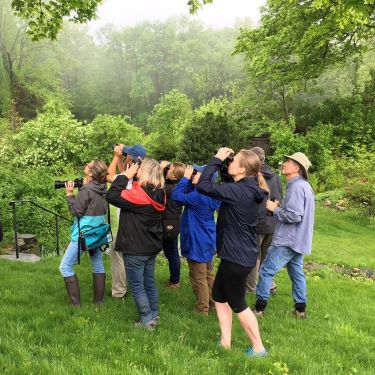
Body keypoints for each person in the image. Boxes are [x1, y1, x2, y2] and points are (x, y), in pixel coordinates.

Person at [197, 147, 269, 357]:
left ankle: (258, 348)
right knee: (219, 296)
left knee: (238, 303)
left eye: (234, 161)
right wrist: (225, 161)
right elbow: (225, 181)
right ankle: (225, 342)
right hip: (237, 254)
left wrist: (217, 159)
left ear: (243, 169)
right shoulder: (245, 187)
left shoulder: (239, 191)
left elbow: (203, 185)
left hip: (237, 257)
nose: (230, 163)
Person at [106, 158, 165, 330]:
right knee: (149, 282)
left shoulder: (140, 195)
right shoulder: (159, 192)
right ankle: (154, 314)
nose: (136, 170)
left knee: (137, 285)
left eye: (140, 169)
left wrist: (125, 176)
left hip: (136, 247)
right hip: (150, 246)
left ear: (145, 172)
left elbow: (111, 196)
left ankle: (146, 320)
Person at [254, 152, 314, 319]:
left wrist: (275, 209)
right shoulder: (304, 185)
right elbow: (296, 211)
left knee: (266, 270)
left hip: (288, 240)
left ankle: (259, 309)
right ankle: (300, 310)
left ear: (297, 168)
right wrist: (281, 205)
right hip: (300, 240)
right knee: (296, 273)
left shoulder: (296, 187)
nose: (284, 164)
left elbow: (295, 216)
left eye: (288, 162)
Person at [172, 164, 220, 315]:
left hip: (197, 242)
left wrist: (185, 178)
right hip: (207, 239)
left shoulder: (199, 196)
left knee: (198, 276)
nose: (193, 174)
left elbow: (176, 196)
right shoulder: (209, 193)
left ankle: (202, 309)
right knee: (207, 274)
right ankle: (213, 303)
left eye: (197, 173)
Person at [59, 160, 109, 307]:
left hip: (83, 235)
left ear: (92, 172)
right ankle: (98, 302)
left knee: (65, 266)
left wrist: (69, 195)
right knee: (97, 264)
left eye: (88, 164)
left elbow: (76, 212)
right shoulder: (103, 188)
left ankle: (76, 306)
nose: (86, 165)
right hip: (98, 233)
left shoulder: (86, 191)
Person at [107, 144, 147, 299]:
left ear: (131, 160)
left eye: (127, 156)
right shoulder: (146, 178)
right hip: (142, 226)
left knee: (117, 256)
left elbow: (109, 176)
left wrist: (117, 156)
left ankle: (119, 291)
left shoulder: (123, 180)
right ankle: (140, 287)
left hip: (124, 226)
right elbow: (125, 172)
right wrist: (125, 159)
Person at [246, 146, 283, 294]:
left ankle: (252, 287)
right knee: (266, 257)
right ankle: (269, 285)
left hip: (258, 222)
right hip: (272, 222)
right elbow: (280, 198)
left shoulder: (253, 177)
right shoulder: (276, 177)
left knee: (254, 257)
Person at [160, 161, 186, 288]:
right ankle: (174, 280)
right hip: (172, 222)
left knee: (172, 252)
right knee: (171, 251)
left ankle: (175, 281)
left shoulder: (171, 189)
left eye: (170, 170)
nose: (167, 170)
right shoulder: (175, 185)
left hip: (169, 224)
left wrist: (159, 169)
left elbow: (156, 186)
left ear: (175, 176)